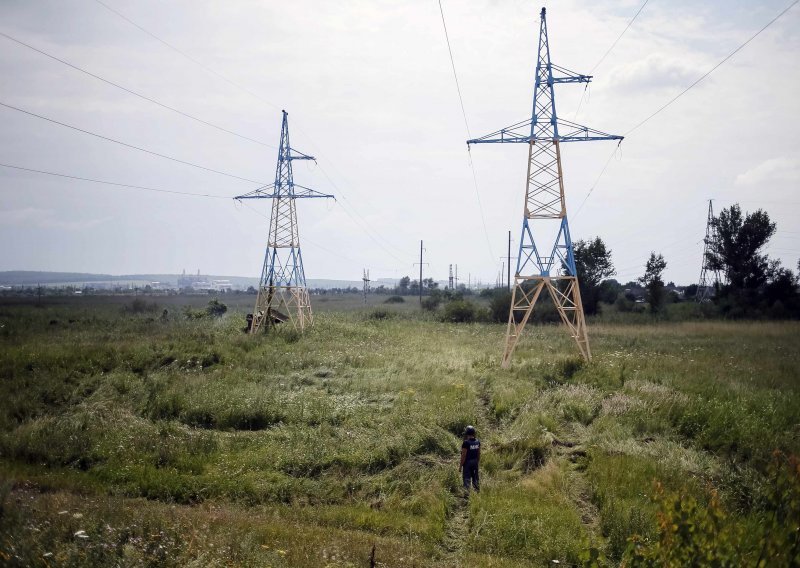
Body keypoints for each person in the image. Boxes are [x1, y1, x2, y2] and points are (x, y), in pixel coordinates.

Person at [459, 425, 480, 493]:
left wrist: (460, 466)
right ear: (474, 433)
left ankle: (466, 496)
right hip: (475, 462)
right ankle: (477, 493)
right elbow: (479, 453)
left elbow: (463, 456)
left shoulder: (466, 443)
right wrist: (477, 462)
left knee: (467, 479)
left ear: (466, 433)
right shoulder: (478, 442)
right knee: (475, 478)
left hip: (467, 463)